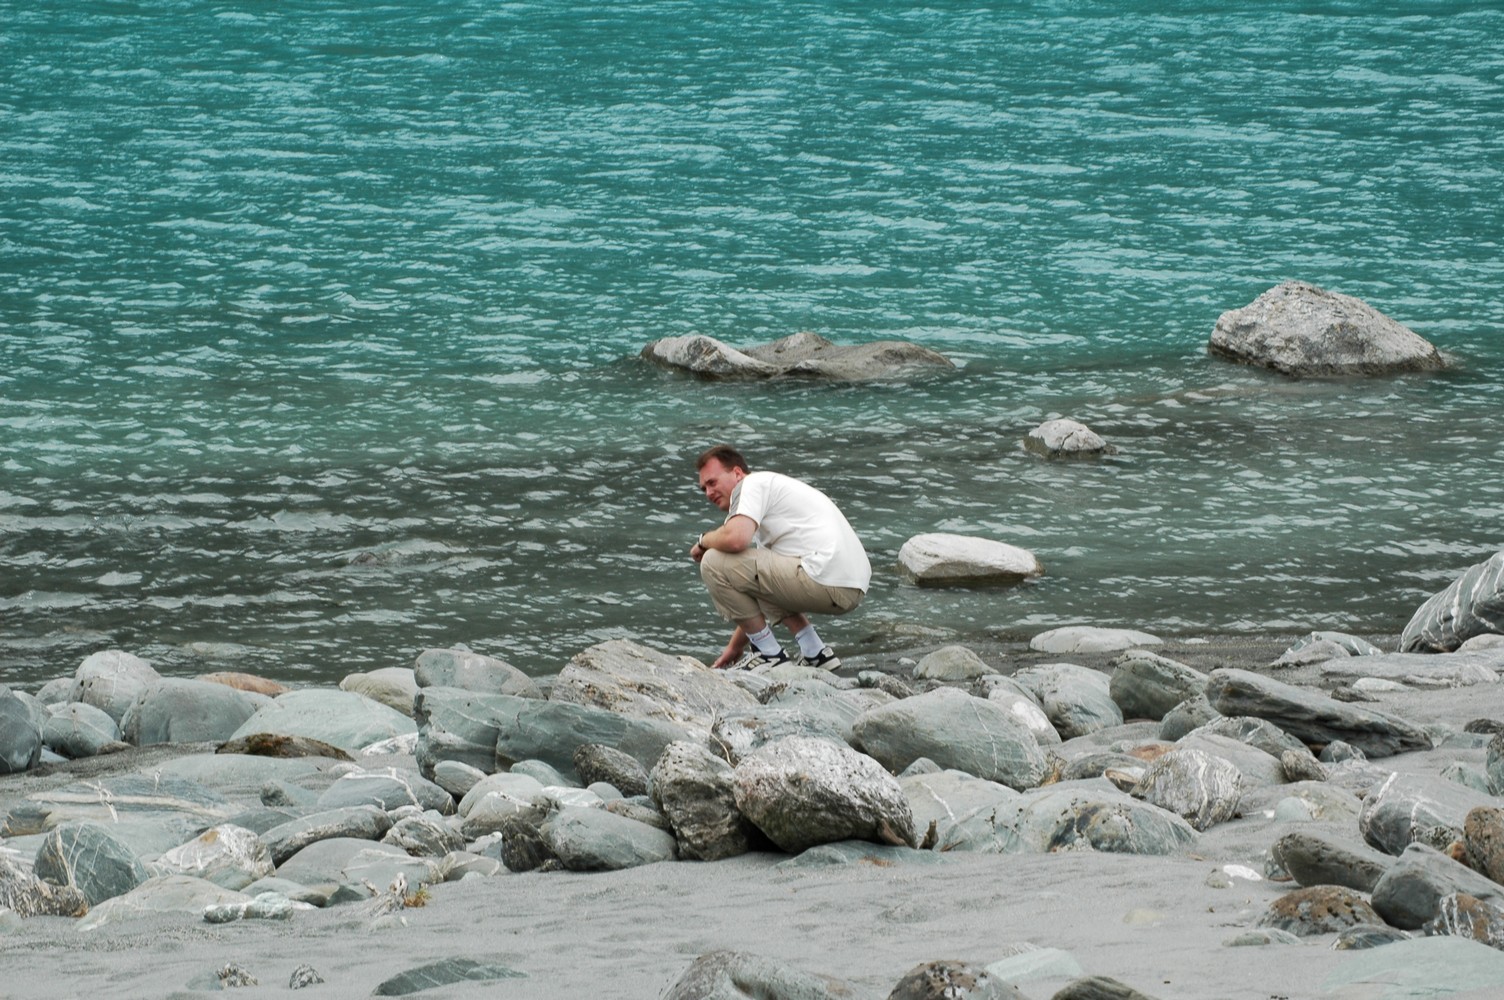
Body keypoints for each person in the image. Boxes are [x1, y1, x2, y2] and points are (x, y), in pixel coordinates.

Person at [689, 444, 871, 670]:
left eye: (712, 483)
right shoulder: (770, 493)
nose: (708, 493)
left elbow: (735, 539)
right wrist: (734, 648)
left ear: (737, 473)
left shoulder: (751, 485)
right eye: (703, 488)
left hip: (827, 578)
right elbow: (756, 586)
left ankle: (769, 655)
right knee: (749, 573)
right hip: (848, 585)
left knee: (713, 561)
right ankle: (816, 653)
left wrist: (702, 541)